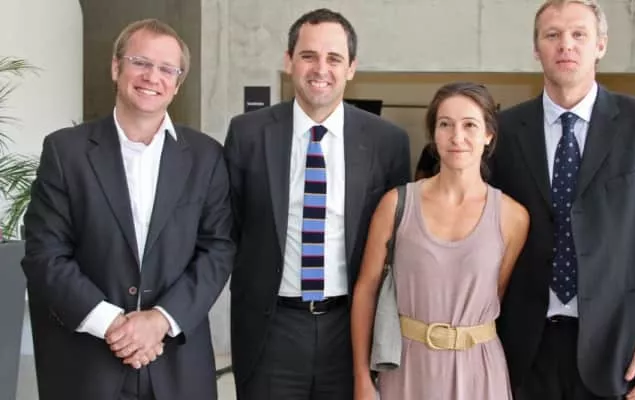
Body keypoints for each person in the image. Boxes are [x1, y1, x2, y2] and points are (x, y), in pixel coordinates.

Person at [21, 19, 234, 400]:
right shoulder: (65, 152)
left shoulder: (206, 156)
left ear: (177, 83)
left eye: (167, 69)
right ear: (116, 67)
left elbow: (217, 249)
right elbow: (45, 253)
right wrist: (114, 325)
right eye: (141, 62)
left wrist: (159, 321)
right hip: (87, 364)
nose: (152, 77)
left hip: (176, 363)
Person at [489, 1, 635, 399]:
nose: (566, 44)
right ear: (536, 49)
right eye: (552, 35)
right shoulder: (505, 130)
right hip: (524, 344)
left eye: (579, 34)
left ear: (600, 45)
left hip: (617, 342)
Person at [224, 8, 411, 400]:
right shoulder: (248, 134)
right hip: (271, 328)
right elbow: (231, 228)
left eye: (334, 58)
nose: (320, 69)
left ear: (351, 68)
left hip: (351, 329)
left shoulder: (387, 142)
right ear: (289, 60)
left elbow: (396, 243)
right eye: (308, 56)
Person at [351, 82, 530, 400]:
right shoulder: (395, 204)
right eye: (445, 124)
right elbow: (366, 291)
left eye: (470, 125)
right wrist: (362, 378)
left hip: (480, 371)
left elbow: (497, 295)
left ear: (489, 135)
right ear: (434, 134)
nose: (456, 137)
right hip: (407, 367)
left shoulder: (513, 216)